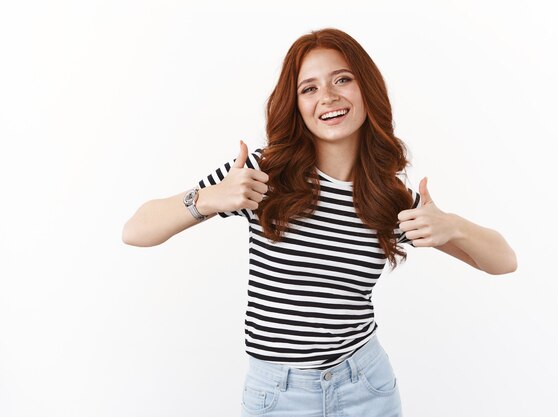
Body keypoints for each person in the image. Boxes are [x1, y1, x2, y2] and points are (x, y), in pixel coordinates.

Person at [122, 27, 517, 417]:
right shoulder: (264, 175)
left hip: (367, 387)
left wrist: (454, 226)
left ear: (367, 90)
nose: (328, 97)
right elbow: (136, 230)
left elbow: (504, 261)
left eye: (342, 79)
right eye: (308, 88)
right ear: (295, 105)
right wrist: (207, 200)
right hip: (278, 395)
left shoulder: (388, 197)